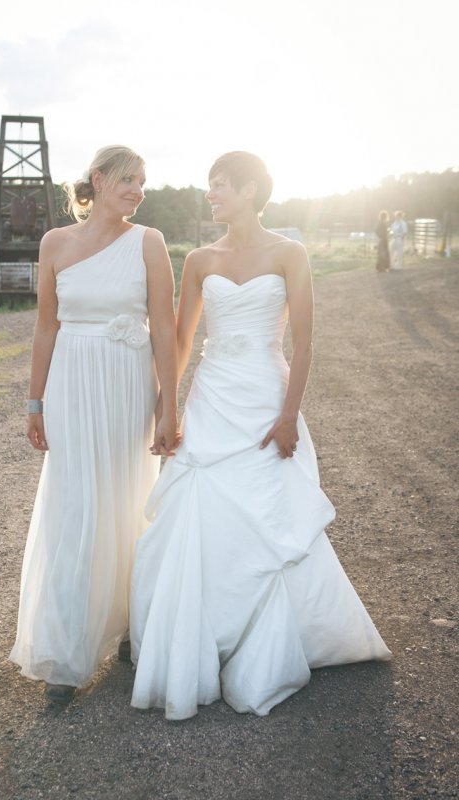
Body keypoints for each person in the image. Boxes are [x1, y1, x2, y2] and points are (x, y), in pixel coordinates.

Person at [129, 151, 391, 720]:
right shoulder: (198, 260)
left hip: (267, 398)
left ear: (249, 190)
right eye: (210, 186)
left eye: (220, 186)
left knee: (270, 515)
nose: (211, 195)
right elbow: (177, 343)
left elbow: (303, 343)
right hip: (215, 395)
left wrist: (289, 414)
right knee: (198, 505)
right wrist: (167, 410)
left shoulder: (290, 253)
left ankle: (277, 633)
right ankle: (197, 634)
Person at [9, 145, 178, 702]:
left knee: (128, 497)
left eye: (144, 183)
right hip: (71, 385)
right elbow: (44, 328)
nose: (137, 191)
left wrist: (168, 404)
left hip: (128, 384)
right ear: (99, 181)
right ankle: (68, 651)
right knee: (77, 503)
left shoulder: (149, 243)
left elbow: (164, 330)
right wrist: (35, 402)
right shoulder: (54, 243)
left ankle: (133, 625)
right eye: (128, 180)